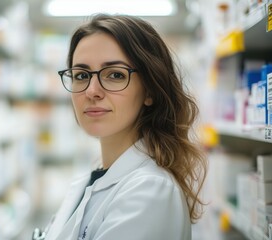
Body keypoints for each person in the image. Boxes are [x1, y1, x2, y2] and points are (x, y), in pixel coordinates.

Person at [36, 13, 207, 240]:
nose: (91, 91)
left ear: (149, 90)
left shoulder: (149, 191)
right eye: (81, 75)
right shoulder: (96, 177)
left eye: (115, 74)